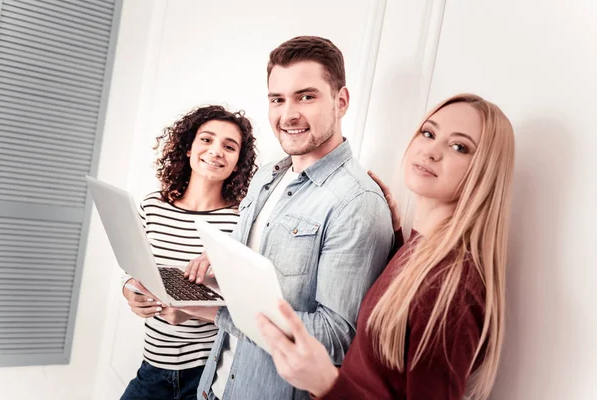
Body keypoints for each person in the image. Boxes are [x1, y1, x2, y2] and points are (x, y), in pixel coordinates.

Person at [258, 93, 515, 400]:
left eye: (459, 147)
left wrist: (327, 384)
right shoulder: (421, 251)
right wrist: (395, 239)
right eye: (429, 133)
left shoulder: (453, 286)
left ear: (486, 172)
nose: (431, 151)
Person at [181, 36, 394, 400]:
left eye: (306, 97)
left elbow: (335, 337)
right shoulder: (267, 175)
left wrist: (210, 311)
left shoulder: (357, 203)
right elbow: (247, 264)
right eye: (277, 99)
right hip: (213, 388)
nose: (288, 114)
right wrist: (211, 268)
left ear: (341, 101)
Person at [119, 105, 257, 400]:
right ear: (188, 148)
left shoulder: (240, 222)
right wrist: (130, 289)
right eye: (206, 140)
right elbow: (132, 270)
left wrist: (191, 311)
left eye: (229, 146)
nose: (216, 151)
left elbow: (247, 309)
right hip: (151, 368)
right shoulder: (153, 206)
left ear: (238, 163)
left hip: (207, 376)